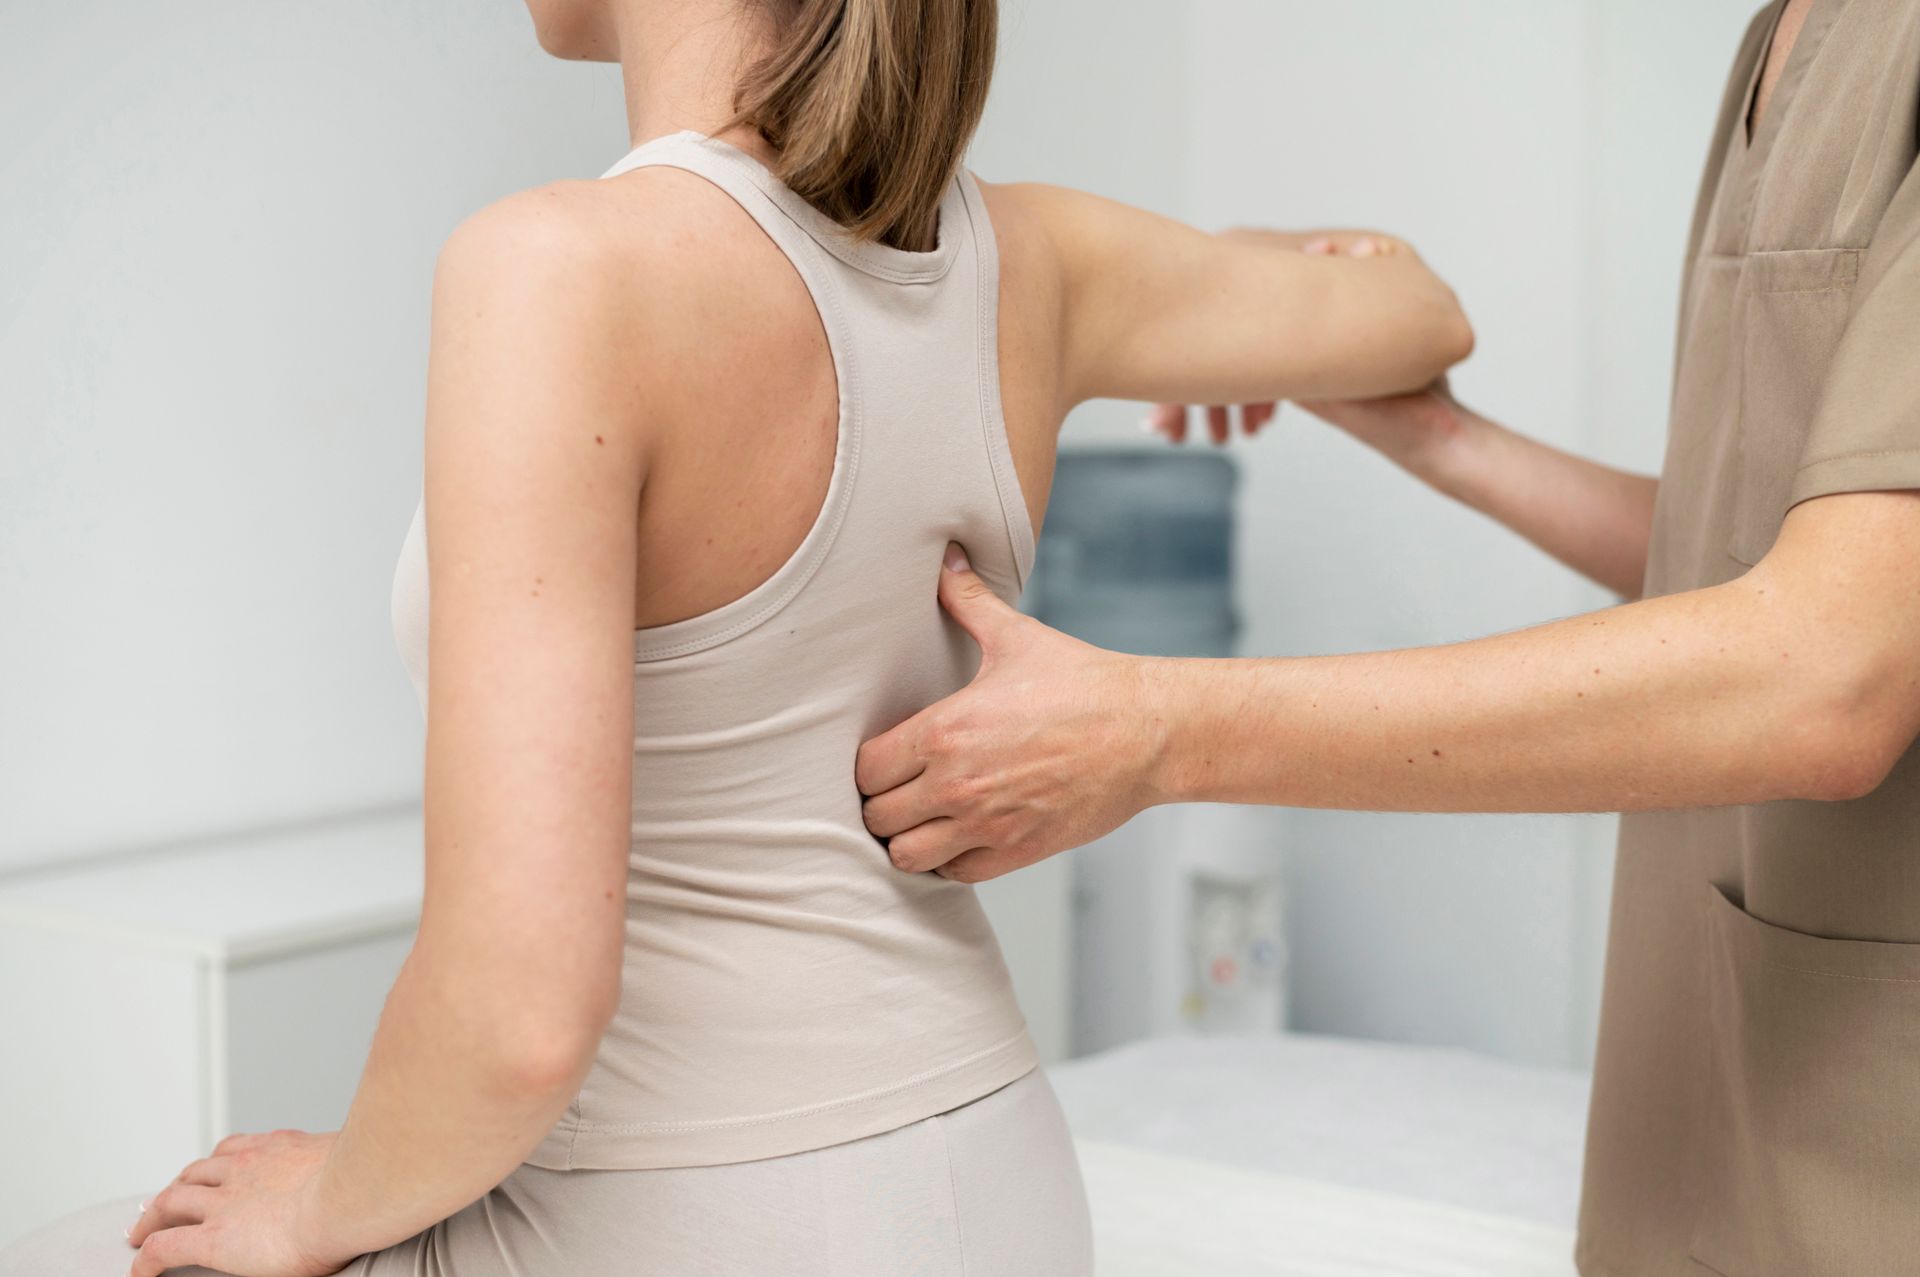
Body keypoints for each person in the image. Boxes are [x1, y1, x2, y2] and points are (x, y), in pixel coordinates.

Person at [0, 1, 1475, 1274]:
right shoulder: (1043, 258)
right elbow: (1420, 317)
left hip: (676, 1210)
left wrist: (318, 1201)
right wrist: (1256, 264)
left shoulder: (560, 267)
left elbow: (518, 1015)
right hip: (1006, 1178)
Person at [856, 1, 1920, 1272]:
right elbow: (1763, 549)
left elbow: (1833, 663)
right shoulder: (1785, 34)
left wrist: (1159, 729)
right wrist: (1439, 438)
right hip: (1704, 1132)